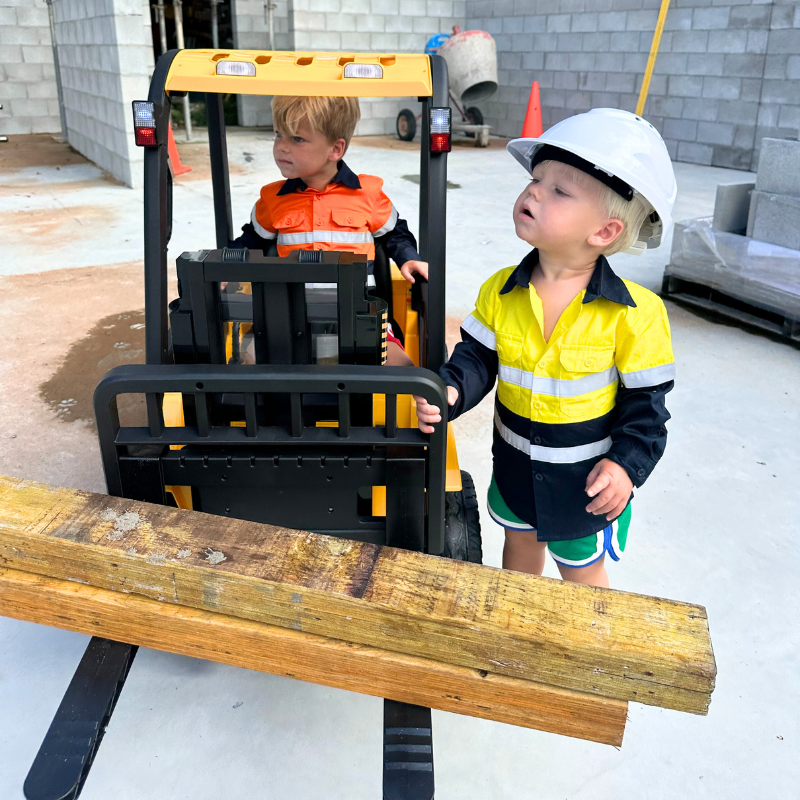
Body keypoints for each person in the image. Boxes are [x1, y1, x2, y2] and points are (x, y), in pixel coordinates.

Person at [415, 108, 678, 588]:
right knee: (518, 552)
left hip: (584, 487)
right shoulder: (501, 291)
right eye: (536, 180)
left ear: (603, 232)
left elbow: (647, 410)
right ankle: (518, 633)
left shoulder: (636, 315)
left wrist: (624, 468)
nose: (534, 191)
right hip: (515, 471)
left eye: (559, 190)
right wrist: (450, 390)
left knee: (581, 576)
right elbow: (477, 359)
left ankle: (588, 651)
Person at [230, 94, 427, 367]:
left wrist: (408, 257)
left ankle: (426, 407)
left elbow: (395, 233)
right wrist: (225, 269)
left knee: (402, 369)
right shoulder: (273, 199)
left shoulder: (367, 194)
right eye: (278, 135)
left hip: (361, 313)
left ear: (335, 149)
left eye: (297, 139)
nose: (281, 147)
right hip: (291, 315)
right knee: (246, 362)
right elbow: (250, 242)